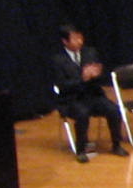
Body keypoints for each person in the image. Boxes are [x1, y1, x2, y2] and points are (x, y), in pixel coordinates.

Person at [50, 23, 128, 161]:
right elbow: (62, 86)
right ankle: (81, 149)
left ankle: (116, 145)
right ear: (65, 41)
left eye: (80, 38)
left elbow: (101, 77)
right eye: (75, 39)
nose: (79, 41)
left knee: (114, 110)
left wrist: (98, 74)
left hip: (93, 95)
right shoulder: (58, 60)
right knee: (82, 113)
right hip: (71, 99)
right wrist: (83, 78)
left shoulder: (90, 52)